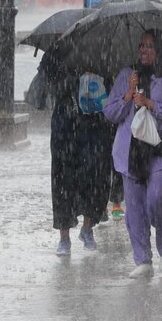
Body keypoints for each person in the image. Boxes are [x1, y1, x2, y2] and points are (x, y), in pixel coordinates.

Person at [104, 29, 162, 278]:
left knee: (158, 196)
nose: (144, 50)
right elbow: (110, 113)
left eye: (150, 46)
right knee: (135, 207)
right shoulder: (127, 75)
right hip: (130, 150)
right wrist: (129, 95)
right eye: (141, 45)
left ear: (160, 49)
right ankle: (142, 259)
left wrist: (152, 104)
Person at [41, 48, 114, 256]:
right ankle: (64, 237)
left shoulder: (101, 52)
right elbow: (50, 85)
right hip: (65, 126)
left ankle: (87, 227)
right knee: (63, 180)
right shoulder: (57, 52)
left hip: (95, 125)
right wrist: (74, 80)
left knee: (95, 176)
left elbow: (111, 87)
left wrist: (96, 77)